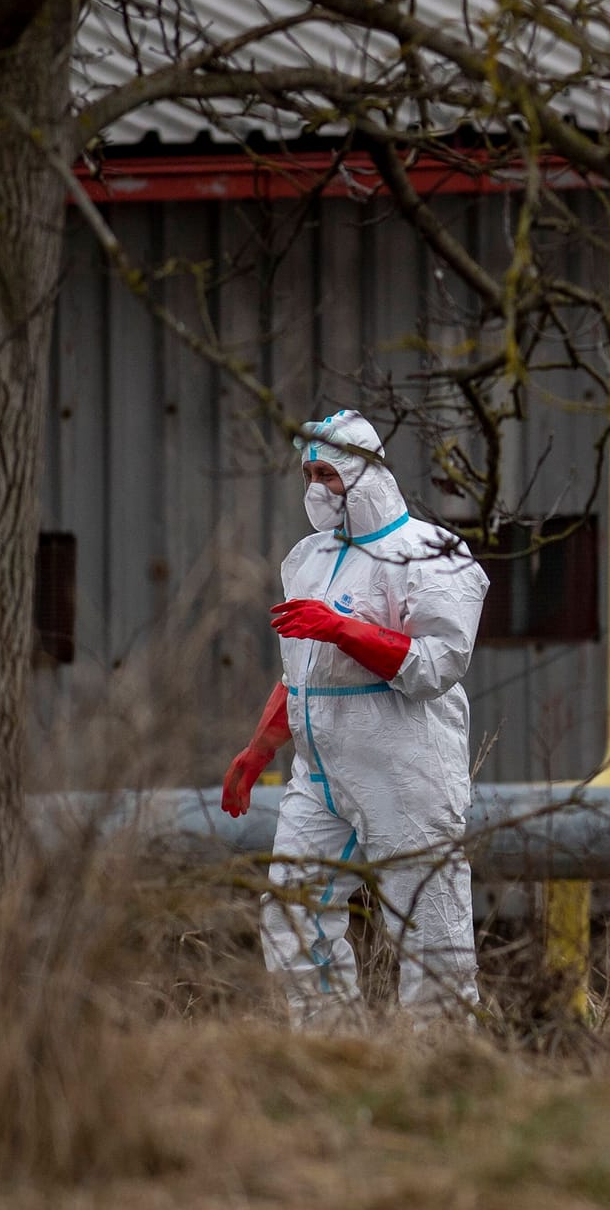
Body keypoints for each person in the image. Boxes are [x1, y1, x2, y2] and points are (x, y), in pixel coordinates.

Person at [220, 409, 490, 1025]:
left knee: (430, 924)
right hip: (320, 775)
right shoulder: (309, 558)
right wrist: (260, 748)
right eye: (309, 473)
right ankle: (331, 1050)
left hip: (404, 769)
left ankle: (442, 1065)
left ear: (365, 475)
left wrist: (341, 627)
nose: (317, 488)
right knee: (292, 913)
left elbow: (436, 666)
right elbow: (301, 673)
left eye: (329, 474)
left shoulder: (429, 554)